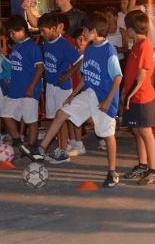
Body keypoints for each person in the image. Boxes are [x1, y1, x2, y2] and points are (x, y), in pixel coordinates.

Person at [28, 13, 122, 188]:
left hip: (104, 98)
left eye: (85, 30)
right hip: (89, 94)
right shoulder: (90, 48)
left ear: (93, 31)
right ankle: (40, 149)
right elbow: (86, 77)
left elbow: (117, 78)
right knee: (61, 113)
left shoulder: (109, 51)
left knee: (108, 136)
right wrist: (73, 94)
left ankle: (112, 172)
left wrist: (108, 100)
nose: (83, 33)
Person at [121, 10, 155, 185]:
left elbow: (142, 75)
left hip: (143, 97)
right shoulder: (136, 45)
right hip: (133, 96)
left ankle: (154, 170)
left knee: (145, 132)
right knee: (137, 131)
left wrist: (129, 94)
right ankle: (143, 166)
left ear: (130, 30)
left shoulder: (145, 46)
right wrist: (125, 92)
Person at [38, 12, 82, 163]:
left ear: (55, 29)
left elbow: (80, 60)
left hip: (62, 87)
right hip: (50, 85)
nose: (41, 34)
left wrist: (69, 73)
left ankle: (63, 151)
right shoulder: (45, 43)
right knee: (52, 117)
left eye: (44, 31)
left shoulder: (64, 44)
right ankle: (57, 147)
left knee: (61, 118)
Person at [2, 16, 44, 158]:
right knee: (6, 115)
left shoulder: (33, 47)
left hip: (29, 91)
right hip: (15, 89)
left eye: (13, 33)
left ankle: (32, 147)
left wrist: (31, 87)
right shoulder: (15, 46)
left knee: (31, 120)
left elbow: (39, 69)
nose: (11, 36)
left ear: (21, 31)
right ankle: (18, 142)